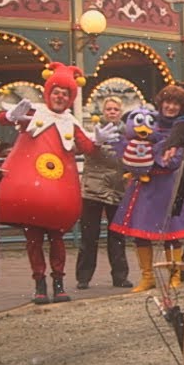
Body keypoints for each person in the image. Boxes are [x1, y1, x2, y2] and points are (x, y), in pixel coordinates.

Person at [0, 62, 116, 305]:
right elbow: (5, 118)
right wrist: (10, 116)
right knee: (34, 241)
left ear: (70, 97)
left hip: (58, 195)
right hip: (31, 193)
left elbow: (87, 147)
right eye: (56, 92)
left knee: (57, 239)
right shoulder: (34, 112)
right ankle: (40, 284)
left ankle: (58, 283)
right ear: (48, 92)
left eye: (65, 93)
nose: (60, 97)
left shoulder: (70, 122)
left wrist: (98, 141)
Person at [109, 85, 184, 292]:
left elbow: (173, 159)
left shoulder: (182, 127)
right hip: (144, 186)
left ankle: (174, 276)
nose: (171, 107)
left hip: (167, 186)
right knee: (141, 233)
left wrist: (151, 150)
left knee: (171, 234)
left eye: (176, 103)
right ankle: (147, 277)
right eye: (168, 102)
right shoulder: (148, 123)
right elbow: (130, 147)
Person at [75, 97, 132, 290]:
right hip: (93, 189)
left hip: (117, 189)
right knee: (89, 235)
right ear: (103, 111)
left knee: (117, 235)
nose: (112, 112)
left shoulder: (128, 135)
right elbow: (83, 149)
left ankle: (120, 276)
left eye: (116, 109)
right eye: (109, 109)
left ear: (120, 111)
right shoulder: (93, 132)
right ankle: (84, 277)